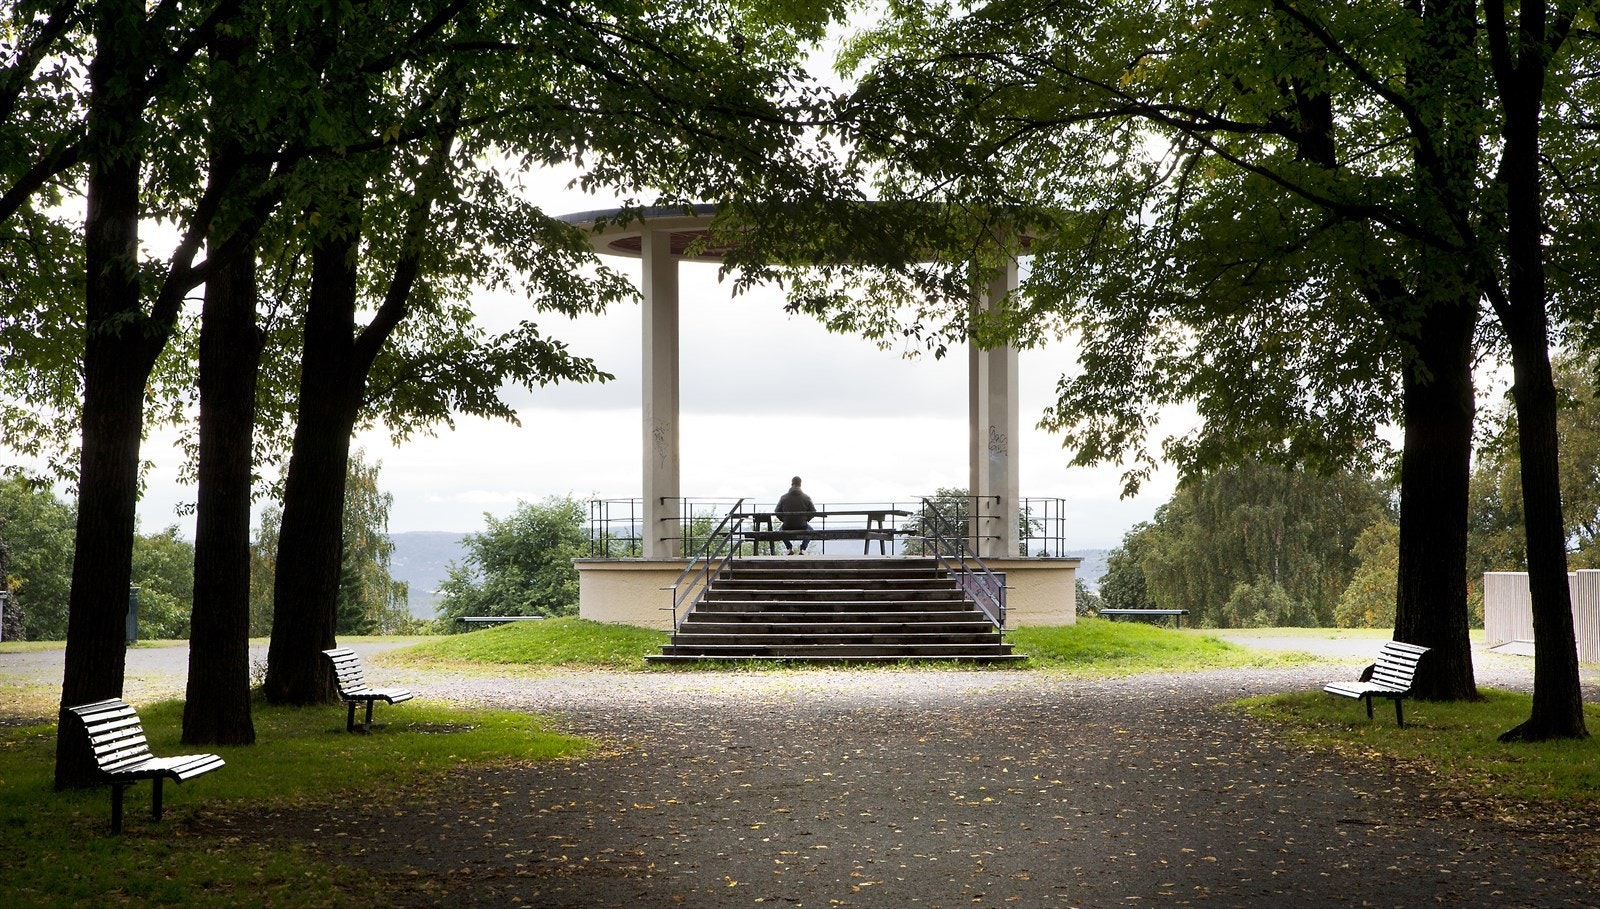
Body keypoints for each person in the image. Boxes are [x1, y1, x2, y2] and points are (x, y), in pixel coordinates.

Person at [774, 476, 818, 554]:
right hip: (802, 525)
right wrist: (807, 519)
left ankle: (789, 548)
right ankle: (803, 549)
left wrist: (783, 519)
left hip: (787, 526)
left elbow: (777, 512)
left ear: (792, 483)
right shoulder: (806, 498)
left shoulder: (783, 497)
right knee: (811, 531)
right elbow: (813, 512)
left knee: (780, 531)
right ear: (800, 484)